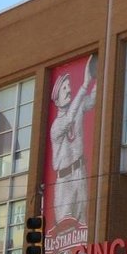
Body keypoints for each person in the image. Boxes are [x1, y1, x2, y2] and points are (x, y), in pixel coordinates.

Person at [48, 56, 97, 228]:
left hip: (80, 172)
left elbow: (92, 101)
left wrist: (99, 76)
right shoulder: (56, 126)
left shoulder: (77, 108)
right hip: (64, 179)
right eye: (64, 88)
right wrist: (84, 85)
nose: (68, 90)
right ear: (57, 99)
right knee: (64, 226)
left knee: (83, 222)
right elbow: (69, 119)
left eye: (69, 86)